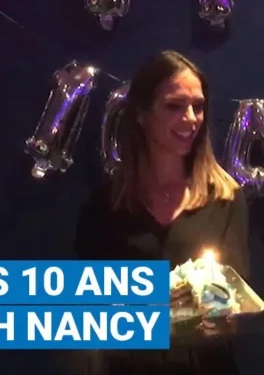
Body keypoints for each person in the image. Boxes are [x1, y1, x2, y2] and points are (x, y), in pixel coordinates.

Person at [75, 50, 249, 375]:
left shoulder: (225, 198)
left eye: (198, 106)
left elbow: (235, 305)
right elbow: (85, 317)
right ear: (142, 115)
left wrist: (223, 319)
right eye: (174, 106)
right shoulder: (104, 206)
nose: (191, 118)